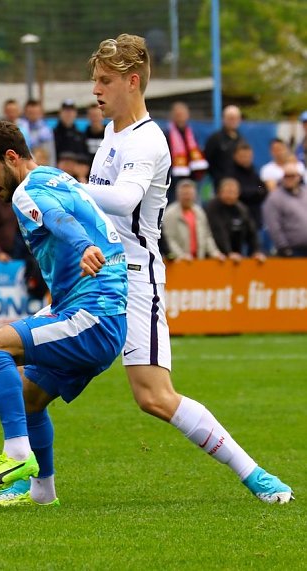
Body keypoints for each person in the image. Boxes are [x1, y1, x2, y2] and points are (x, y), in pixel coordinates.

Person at [78, 34, 291, 504]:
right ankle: (32, 484)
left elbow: (125, 200)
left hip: (134, 277)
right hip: (95, 272)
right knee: (28, 369)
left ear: (132, 83)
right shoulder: (111, 133)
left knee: (154, 397)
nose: (95, 90)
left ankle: (253, 474)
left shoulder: (147, 139)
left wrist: (65, 185)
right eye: (94, 80)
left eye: (105, 81)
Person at [0, 120, 127, 507]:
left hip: (92, 317)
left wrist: (84, 245)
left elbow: (56, 219)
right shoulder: (58, 177)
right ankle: (41, 493)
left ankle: (17, 455)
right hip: (98, 312)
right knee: (29, 397)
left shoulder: (26, 192)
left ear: (12, 157)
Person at [162, 180, 225, 261]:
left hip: (198, 261)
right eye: (184, 194)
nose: (187, 197)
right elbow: (169, 239)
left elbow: (207, 236)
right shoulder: (170, 213)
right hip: (178, 262)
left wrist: (215, 253)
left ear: (195, 195)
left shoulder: (199, 212)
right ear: (178, 195)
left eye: (190, 194)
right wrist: (181, 256)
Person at [205, 178, 264, 261]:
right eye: (227, 192)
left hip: (237, 254)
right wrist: (228, 253)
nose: (230, 195)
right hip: (216, 256)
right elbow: (218, 232)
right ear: (220, 192)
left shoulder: (241, 209)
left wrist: (256, 251)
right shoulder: (213, 208)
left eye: (233, 192)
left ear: (238, 193)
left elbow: (251, 232)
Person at [166, 101, 208, 202]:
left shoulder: (193, 133)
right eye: (178, 114)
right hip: (174, 178)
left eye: (182, 114)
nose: (180, 117)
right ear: (172, 116)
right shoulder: (167, 133)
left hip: (192, 177)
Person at [262, 163, 307, 257]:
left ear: (299, 177)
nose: (289, 179)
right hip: (292, 250)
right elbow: (273, 226)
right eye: (286, 176)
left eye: (292, 176)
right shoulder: (275, 198)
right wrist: (283, 247)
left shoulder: (305, 193)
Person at [204, 105, 244, 188]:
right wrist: (218, 178)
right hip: (219, 184)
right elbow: (207, 160)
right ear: (223, 119)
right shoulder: (215, 139)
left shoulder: (242, 140)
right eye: (230, 118)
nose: (233, 121)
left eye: (235, 118)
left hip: (238, 184)